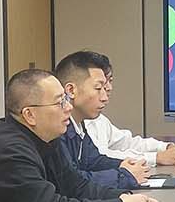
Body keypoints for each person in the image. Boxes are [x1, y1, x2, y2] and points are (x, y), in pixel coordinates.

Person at [0, 69, 163, 202]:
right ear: (30, 115)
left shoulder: (48, 135)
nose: (69, 107)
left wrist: (124, 197)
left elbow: (76, 185)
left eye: (66, 99)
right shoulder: (9, 151)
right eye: (60, 103)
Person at [54, 50, 149, 190]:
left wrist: (121, 165)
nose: (105, 98)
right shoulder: (56, 129)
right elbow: (73, 183)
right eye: (98, 88)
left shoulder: (78, 125)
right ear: (71, 90)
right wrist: (125, 176)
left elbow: (94, 161)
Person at [83, 53, 175, 168]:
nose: (108, 88)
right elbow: (100, 158)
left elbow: (126, 142)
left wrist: (164, 147)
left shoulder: (99, 119)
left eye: (110, 81)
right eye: (100, 85)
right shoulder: (75, 123)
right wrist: (156, 157)